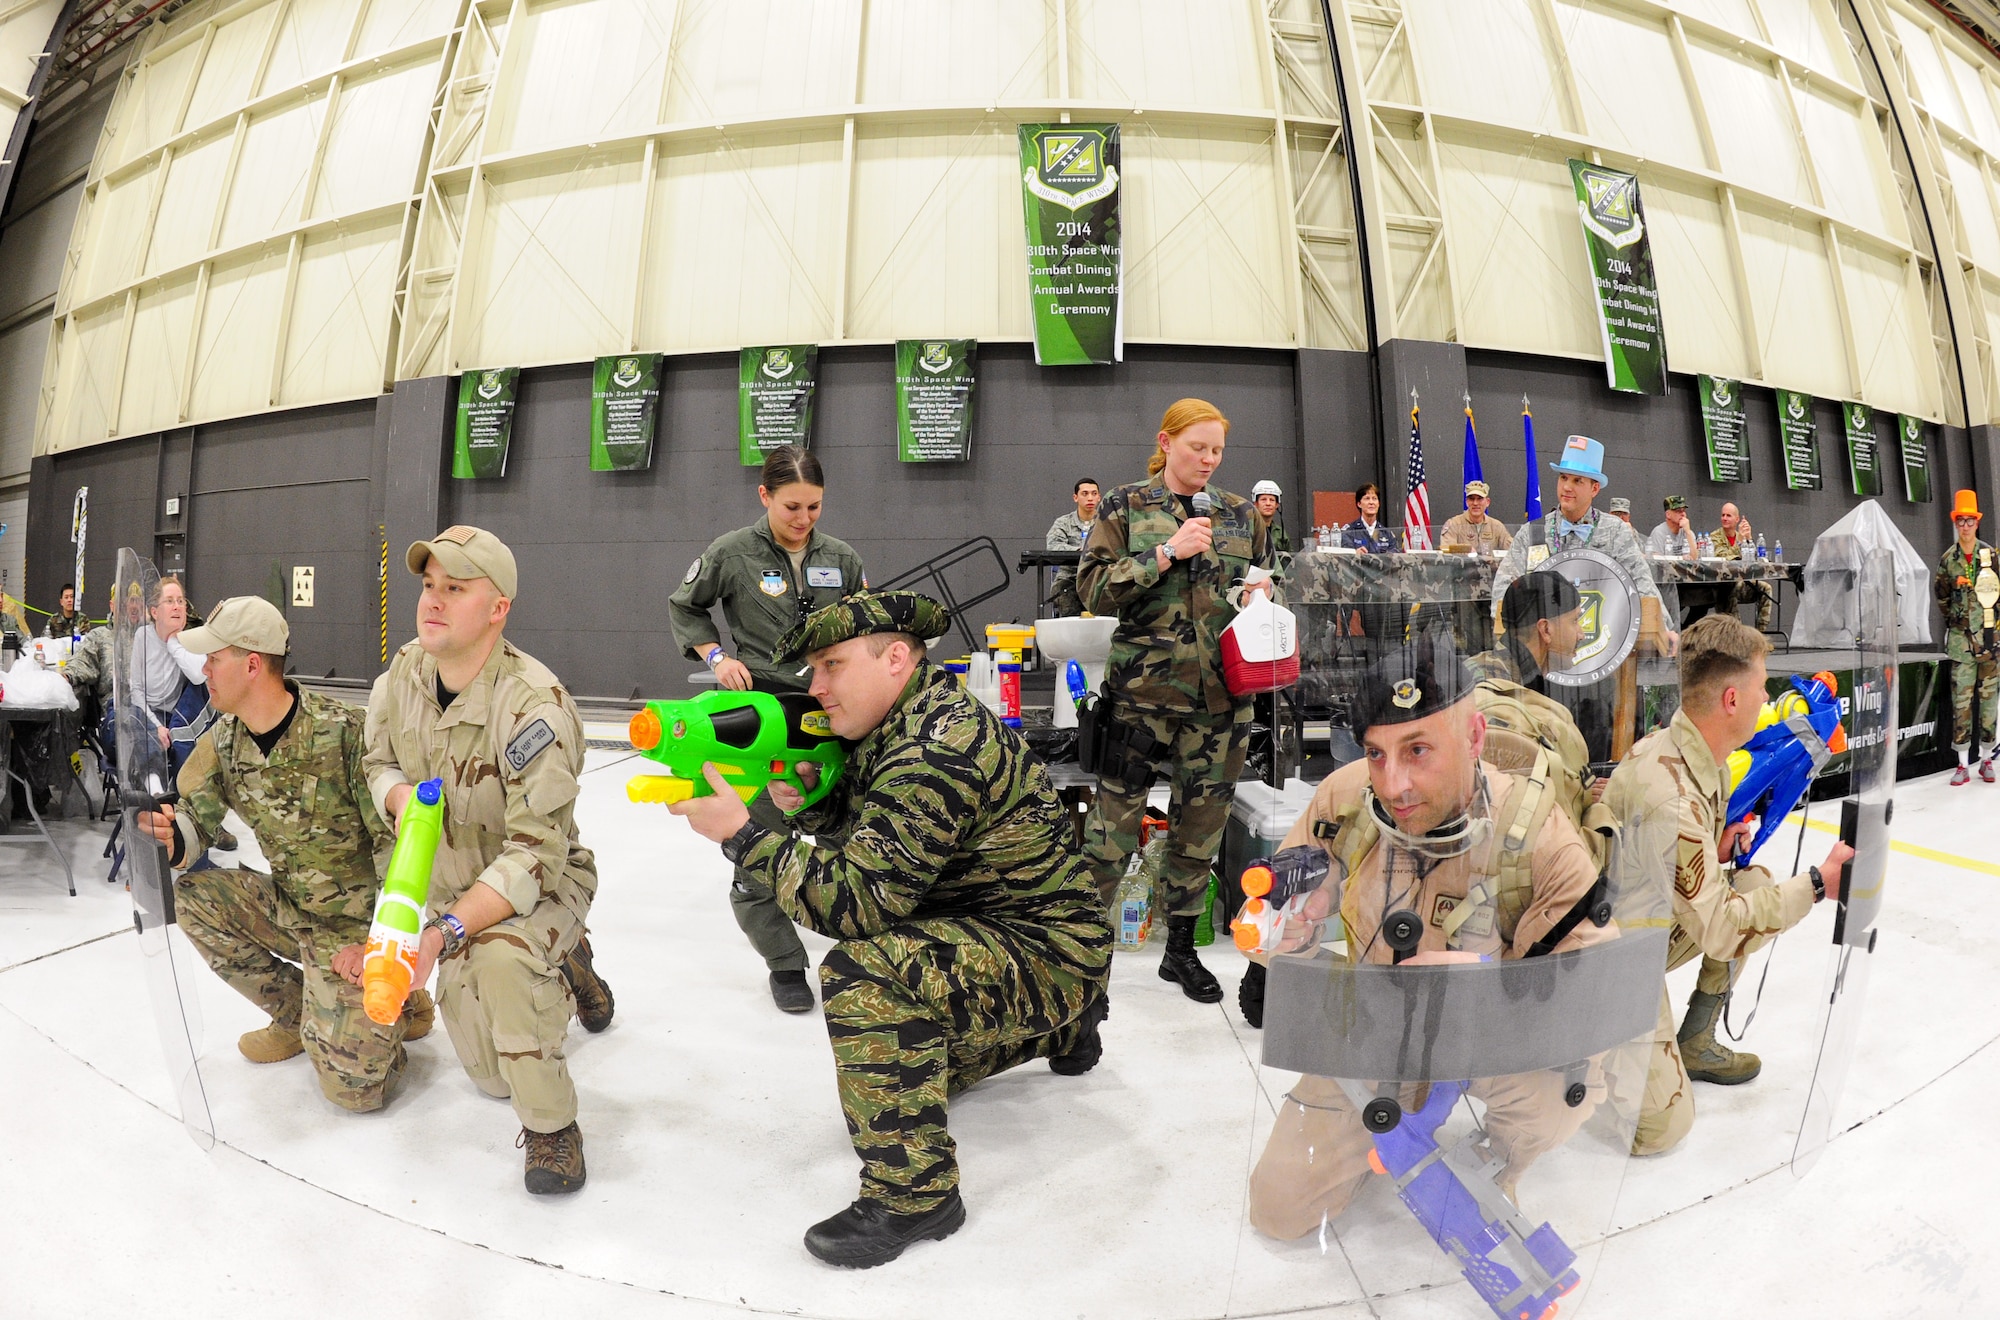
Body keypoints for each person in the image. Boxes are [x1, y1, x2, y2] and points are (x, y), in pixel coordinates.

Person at [669, 591, 1110, 1268]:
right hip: (1005, 925)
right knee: (919, 1067)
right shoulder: (899, 723)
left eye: (831, 666)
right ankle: (1063, 1027)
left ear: (896, 657)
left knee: (864, 973)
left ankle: (916, 1196)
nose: (815, 689)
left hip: (1048, 948)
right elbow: (884, 846)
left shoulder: (937, 747)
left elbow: (857, 907)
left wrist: (743, 835)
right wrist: (815, 805)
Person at [1245, 643, 1616, 1239]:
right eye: (1375, 754)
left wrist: (1489, 982)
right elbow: (1274, 912)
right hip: (1375, 1030)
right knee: (1279, 1213)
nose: (1395, 784)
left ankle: (1501, 1159)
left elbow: (1594, 995)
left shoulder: (1537, 833)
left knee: (1562, 1096)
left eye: (1418, 750)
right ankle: (1380, 1132)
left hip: (1490, 1039)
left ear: (1472, 738)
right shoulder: (1345, 802)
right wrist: (1287, 935)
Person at [363, 526, 614, 1195]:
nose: (432, 601)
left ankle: (554, 1130)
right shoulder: (404, 675)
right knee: (489, 1078)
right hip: (445, 884)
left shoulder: (535, 708)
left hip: (539, 884)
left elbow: (534, 854)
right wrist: (400, 800)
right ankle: (567, 969)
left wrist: (443, 937)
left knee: (502, 960)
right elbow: (376, 758)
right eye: (427, 586)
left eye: (456, 588)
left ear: (497, 608)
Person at [133, 596, 434, 1108]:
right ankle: (299, 1012)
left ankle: (399, 995)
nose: (203, 669)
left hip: (354, 929)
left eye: (214, 659)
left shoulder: (343, 733)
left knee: (355, 1091)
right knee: (195, 898)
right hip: (291, 907)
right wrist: (169, 836)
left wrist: (383, 948)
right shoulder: (224, 740)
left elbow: (397, 852)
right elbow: (195, 821)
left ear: (252, 665)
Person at [1605, 614, 1854, 1154]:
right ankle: (1589, 1052)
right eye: (1763, 687)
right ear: (1733, 701)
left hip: (1640, 926)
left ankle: (1693, 1041)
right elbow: (1719, 930)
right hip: (1606, 961)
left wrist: (1715, 846)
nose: (1768, 699)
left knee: (1751, 882)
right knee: (1660, 1132)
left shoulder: (1695, 755)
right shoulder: (1669, 792)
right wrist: (1816, 884)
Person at [1077, 398, 1275, 1004]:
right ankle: (1081, 957)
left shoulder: (1244, 514)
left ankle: (1181, 952)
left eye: (1217, 450)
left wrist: (1264, 591)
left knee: (1199, 828)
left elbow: (1267, 579)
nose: (1209, 460)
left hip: (1221, 700)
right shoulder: (1125, 505)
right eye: (1198, 448)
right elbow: (1090, 589)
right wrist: (1165, 554)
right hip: (1141, 697)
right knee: (1112, 829)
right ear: (1167, 442)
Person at [669, 446, 867, 1012]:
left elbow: (863, 624)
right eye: (791, 507)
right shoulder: (731, 553)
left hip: (832, 719)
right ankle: (784, 963)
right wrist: (716, 658)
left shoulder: (843, 558)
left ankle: (857, 947)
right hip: (765, 721)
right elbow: (686, 606)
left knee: (847, 838)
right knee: (758, 842)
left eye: (814, 507)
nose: (803, 519)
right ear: (764, 496)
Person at [1491, 433, 1676, 656]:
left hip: (1603, 652)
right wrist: (1509, 634)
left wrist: (1664, 628)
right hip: (1542, 652)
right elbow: (1504, 589)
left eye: (1577, 481)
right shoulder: (1533, 533)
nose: (1567, 487)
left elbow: (1642, 583)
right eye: (1563, 478)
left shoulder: (1615, 531)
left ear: (1594, 489)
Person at [1935, 489, 1999, 784]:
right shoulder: (1949, 560)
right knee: (1961, 704)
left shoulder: (1991, 557)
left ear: (1977, 522)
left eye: (1969, 520)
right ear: (1955, 523)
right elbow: (1941, 597)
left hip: (1989, 642)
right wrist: (1958, 622)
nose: (1965, 526)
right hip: (1961, 644)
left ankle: (1987, 760)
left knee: (1988, 703)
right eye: (1960, 520)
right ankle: (1962, 764)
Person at [1709, 501, 1773, 631]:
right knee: (1730, 588)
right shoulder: (1714, 537)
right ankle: (1736, 635)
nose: (1724, 518)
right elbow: (1723, 558)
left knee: (1765, 589)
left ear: (1737, 519)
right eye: (1723, 515)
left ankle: (1760, 634)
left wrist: (1749, 539)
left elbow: (1755, 560)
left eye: (1728, 515)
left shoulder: (1742, 536)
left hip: (1741, 583)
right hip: (1722, 585)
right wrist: (1739, 542)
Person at [1045, 477, 1102, 616]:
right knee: (1063, 592)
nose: (1090, 498)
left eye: (1094, 494)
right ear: (1075, 497)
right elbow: (1053, 545)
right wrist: (1078, 551)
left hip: (1100, 577)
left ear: (1099, 497)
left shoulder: (1107, 522)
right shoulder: (1064, 523)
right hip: (1070, 578)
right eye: (1085, 494)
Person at [1437, 480, 1512, 555]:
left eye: (1480, 498)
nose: (1475, 503)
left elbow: (1513, 549)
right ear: (1466, 502)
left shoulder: (1496, 526)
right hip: (1462, 566)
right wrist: (1465, 550)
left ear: (1487, 502)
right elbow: (1446, 551)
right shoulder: (1454, 524)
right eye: (1471, 499)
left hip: (1489, 566)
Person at [1339, 482, 1398, 554]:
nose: (1371, 502)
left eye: (1374, 498)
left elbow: (1395, 558)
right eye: (1367, 498)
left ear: (1378, 504)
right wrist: (1355, 553)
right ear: (1359, 504)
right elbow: (1345, 557)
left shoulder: (1387, 534)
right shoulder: (1349, 531)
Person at [1251, 479, 1292, 556]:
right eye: (1263, 499)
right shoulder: (1248, 528)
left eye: (1272, 500)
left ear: (1277, 504)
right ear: (1255, 503)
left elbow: (1289, 559)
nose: (1268, 503)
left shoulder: (1280, 532)